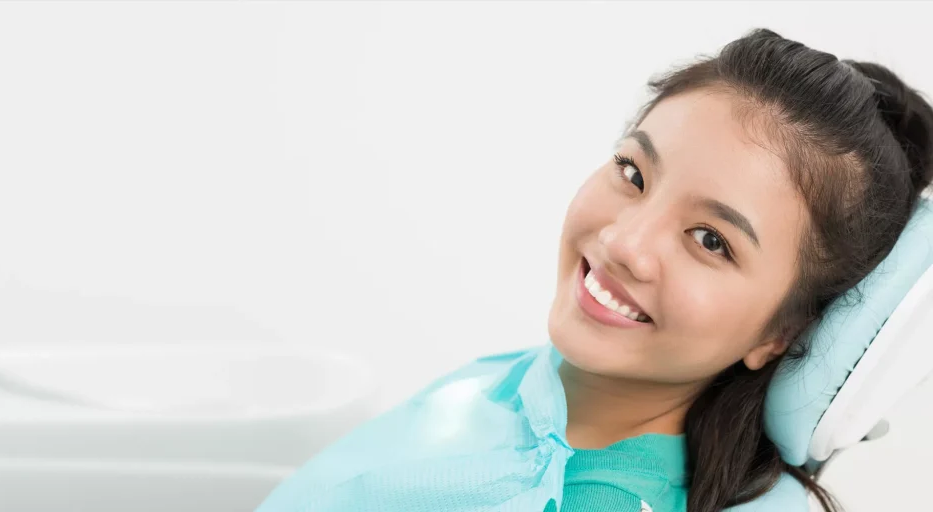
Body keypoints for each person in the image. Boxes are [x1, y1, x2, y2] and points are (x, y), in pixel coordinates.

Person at [260, 28, 933, 512]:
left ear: (782, 331)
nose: (623, 241)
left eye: (709, 239)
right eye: (633, 172)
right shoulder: (521, 388)